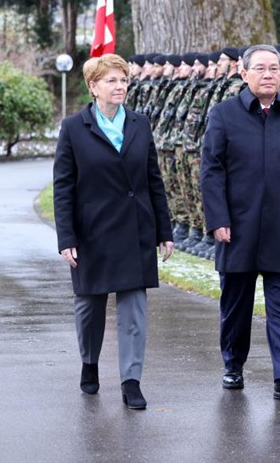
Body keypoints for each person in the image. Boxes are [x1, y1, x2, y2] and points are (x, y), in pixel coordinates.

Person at [200, 44, 280, 401]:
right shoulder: (224, 115)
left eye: (274, 69)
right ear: (244, 73)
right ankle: (233, 365)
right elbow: (211, 172)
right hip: (236, 228)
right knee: (236, 304)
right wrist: (217, 219)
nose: (268, 75)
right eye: (261, 69)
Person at [53, 53, 174, 409]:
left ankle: (131, 380)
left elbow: (154, 181)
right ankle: (89, 364)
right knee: (89, 308)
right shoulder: (75, 127)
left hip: (136, 228)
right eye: (111, 81)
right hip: (92, 232)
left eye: (123, 80)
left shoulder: (140, 123)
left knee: (134, 309)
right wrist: (67, 238)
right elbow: (63, 186)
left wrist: (164, 231)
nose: (119, 86)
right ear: (93, 87)